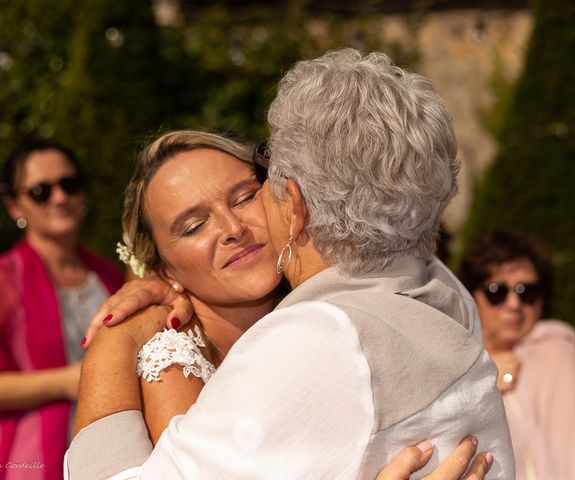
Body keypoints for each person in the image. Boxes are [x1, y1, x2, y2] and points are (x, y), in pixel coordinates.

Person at [67, 49, 514, 478]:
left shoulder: (314, 340)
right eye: (192, 226)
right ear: (162, 268)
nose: (232, 228)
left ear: (294, 204)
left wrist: (115, 338)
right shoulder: (443, 295)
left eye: (248, 193)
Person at [0, 138, 124, 480]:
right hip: (30, 461)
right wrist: (67, 381)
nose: (60, 198)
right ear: (15, 207)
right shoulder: (4, 279)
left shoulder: (109, 274)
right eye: (41, 191)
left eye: (69, 185)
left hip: (110, 453)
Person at [459, 230, 575, 480]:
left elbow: (574, 463)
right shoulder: (461, 363)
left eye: (526, 291)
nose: (514, 304)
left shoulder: (558, 354)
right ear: (471, 297)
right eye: (496, 291)